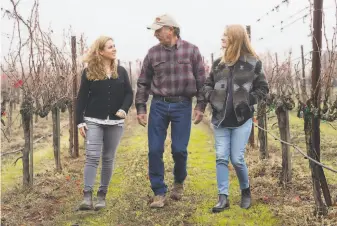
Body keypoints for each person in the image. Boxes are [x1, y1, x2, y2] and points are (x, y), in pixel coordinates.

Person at [135, 14, 206, 208]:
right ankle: (159, 192)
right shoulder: (152, 54)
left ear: (171, 30)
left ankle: (179, 181)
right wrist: (141, 107)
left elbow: (202, 81)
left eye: (158, 30)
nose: (156, 34)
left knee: (179, 149)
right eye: (155, 31)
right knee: (155, 149)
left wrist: (200, 106)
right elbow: (143, 82)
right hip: (158, 105)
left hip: (182, 105)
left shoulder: (192, 51)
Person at [202, 24, 269, 212]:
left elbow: (263, 89)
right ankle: (223, 198)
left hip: (241, 119)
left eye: (225, 35)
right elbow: (206, 85)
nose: (222, 38)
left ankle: (245, 191)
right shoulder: (218, 64)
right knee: (221, 157)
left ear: (235, 38)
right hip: (221, 120)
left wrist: (247, 101)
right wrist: (212, 97)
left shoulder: (253, 63)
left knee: (237, 158)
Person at [76, 36, 133, 211]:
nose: (114, 49)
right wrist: (79, 122)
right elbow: (81, 98)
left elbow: (129, 94)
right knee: (92, 157)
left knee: (108, 158)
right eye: (110, 47)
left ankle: (102, 195)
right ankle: (87, 196)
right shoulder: (89, 72)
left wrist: (124, 109)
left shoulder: (121, 71)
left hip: (115, 123)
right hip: (93, 120)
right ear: (101, 51)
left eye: (114, 46)